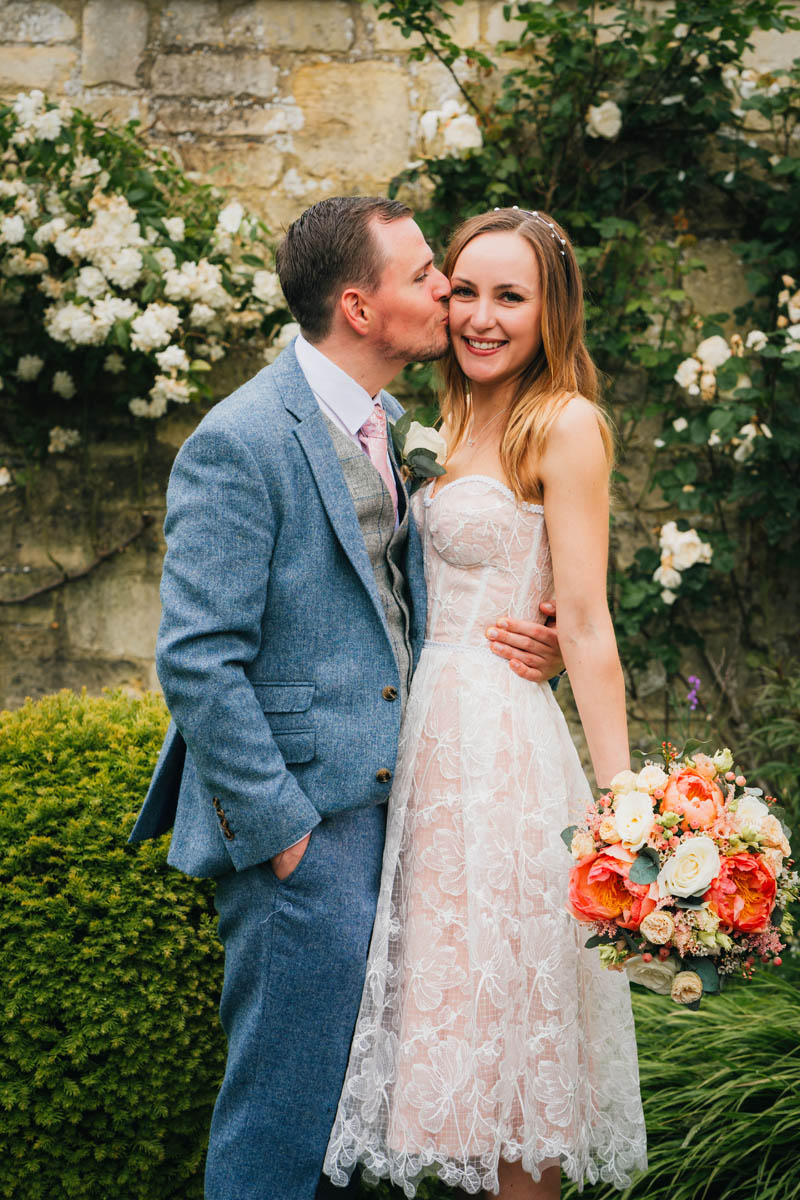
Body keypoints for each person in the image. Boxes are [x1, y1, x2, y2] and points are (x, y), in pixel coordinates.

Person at [128, 195, 565, 1200]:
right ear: (361, 310)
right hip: (305, 833)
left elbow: (409, 593)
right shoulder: (242, 438)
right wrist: (285, 833)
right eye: (425, 277)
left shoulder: (393, 425)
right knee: (283, 1123)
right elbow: (198, 657)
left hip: (402, 816)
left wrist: (528, 632)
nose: (448, 294)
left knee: (349, 1131)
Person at [324, 207, 648, 1198]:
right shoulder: (439, 420)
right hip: (426, 754)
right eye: (463, 290)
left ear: (551, 313)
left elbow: (585, 624)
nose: (479, 316)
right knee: (450, 1052)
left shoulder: (565, 425)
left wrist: (627, 807)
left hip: (503, 756)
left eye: (509, 296)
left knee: (513, 1064)